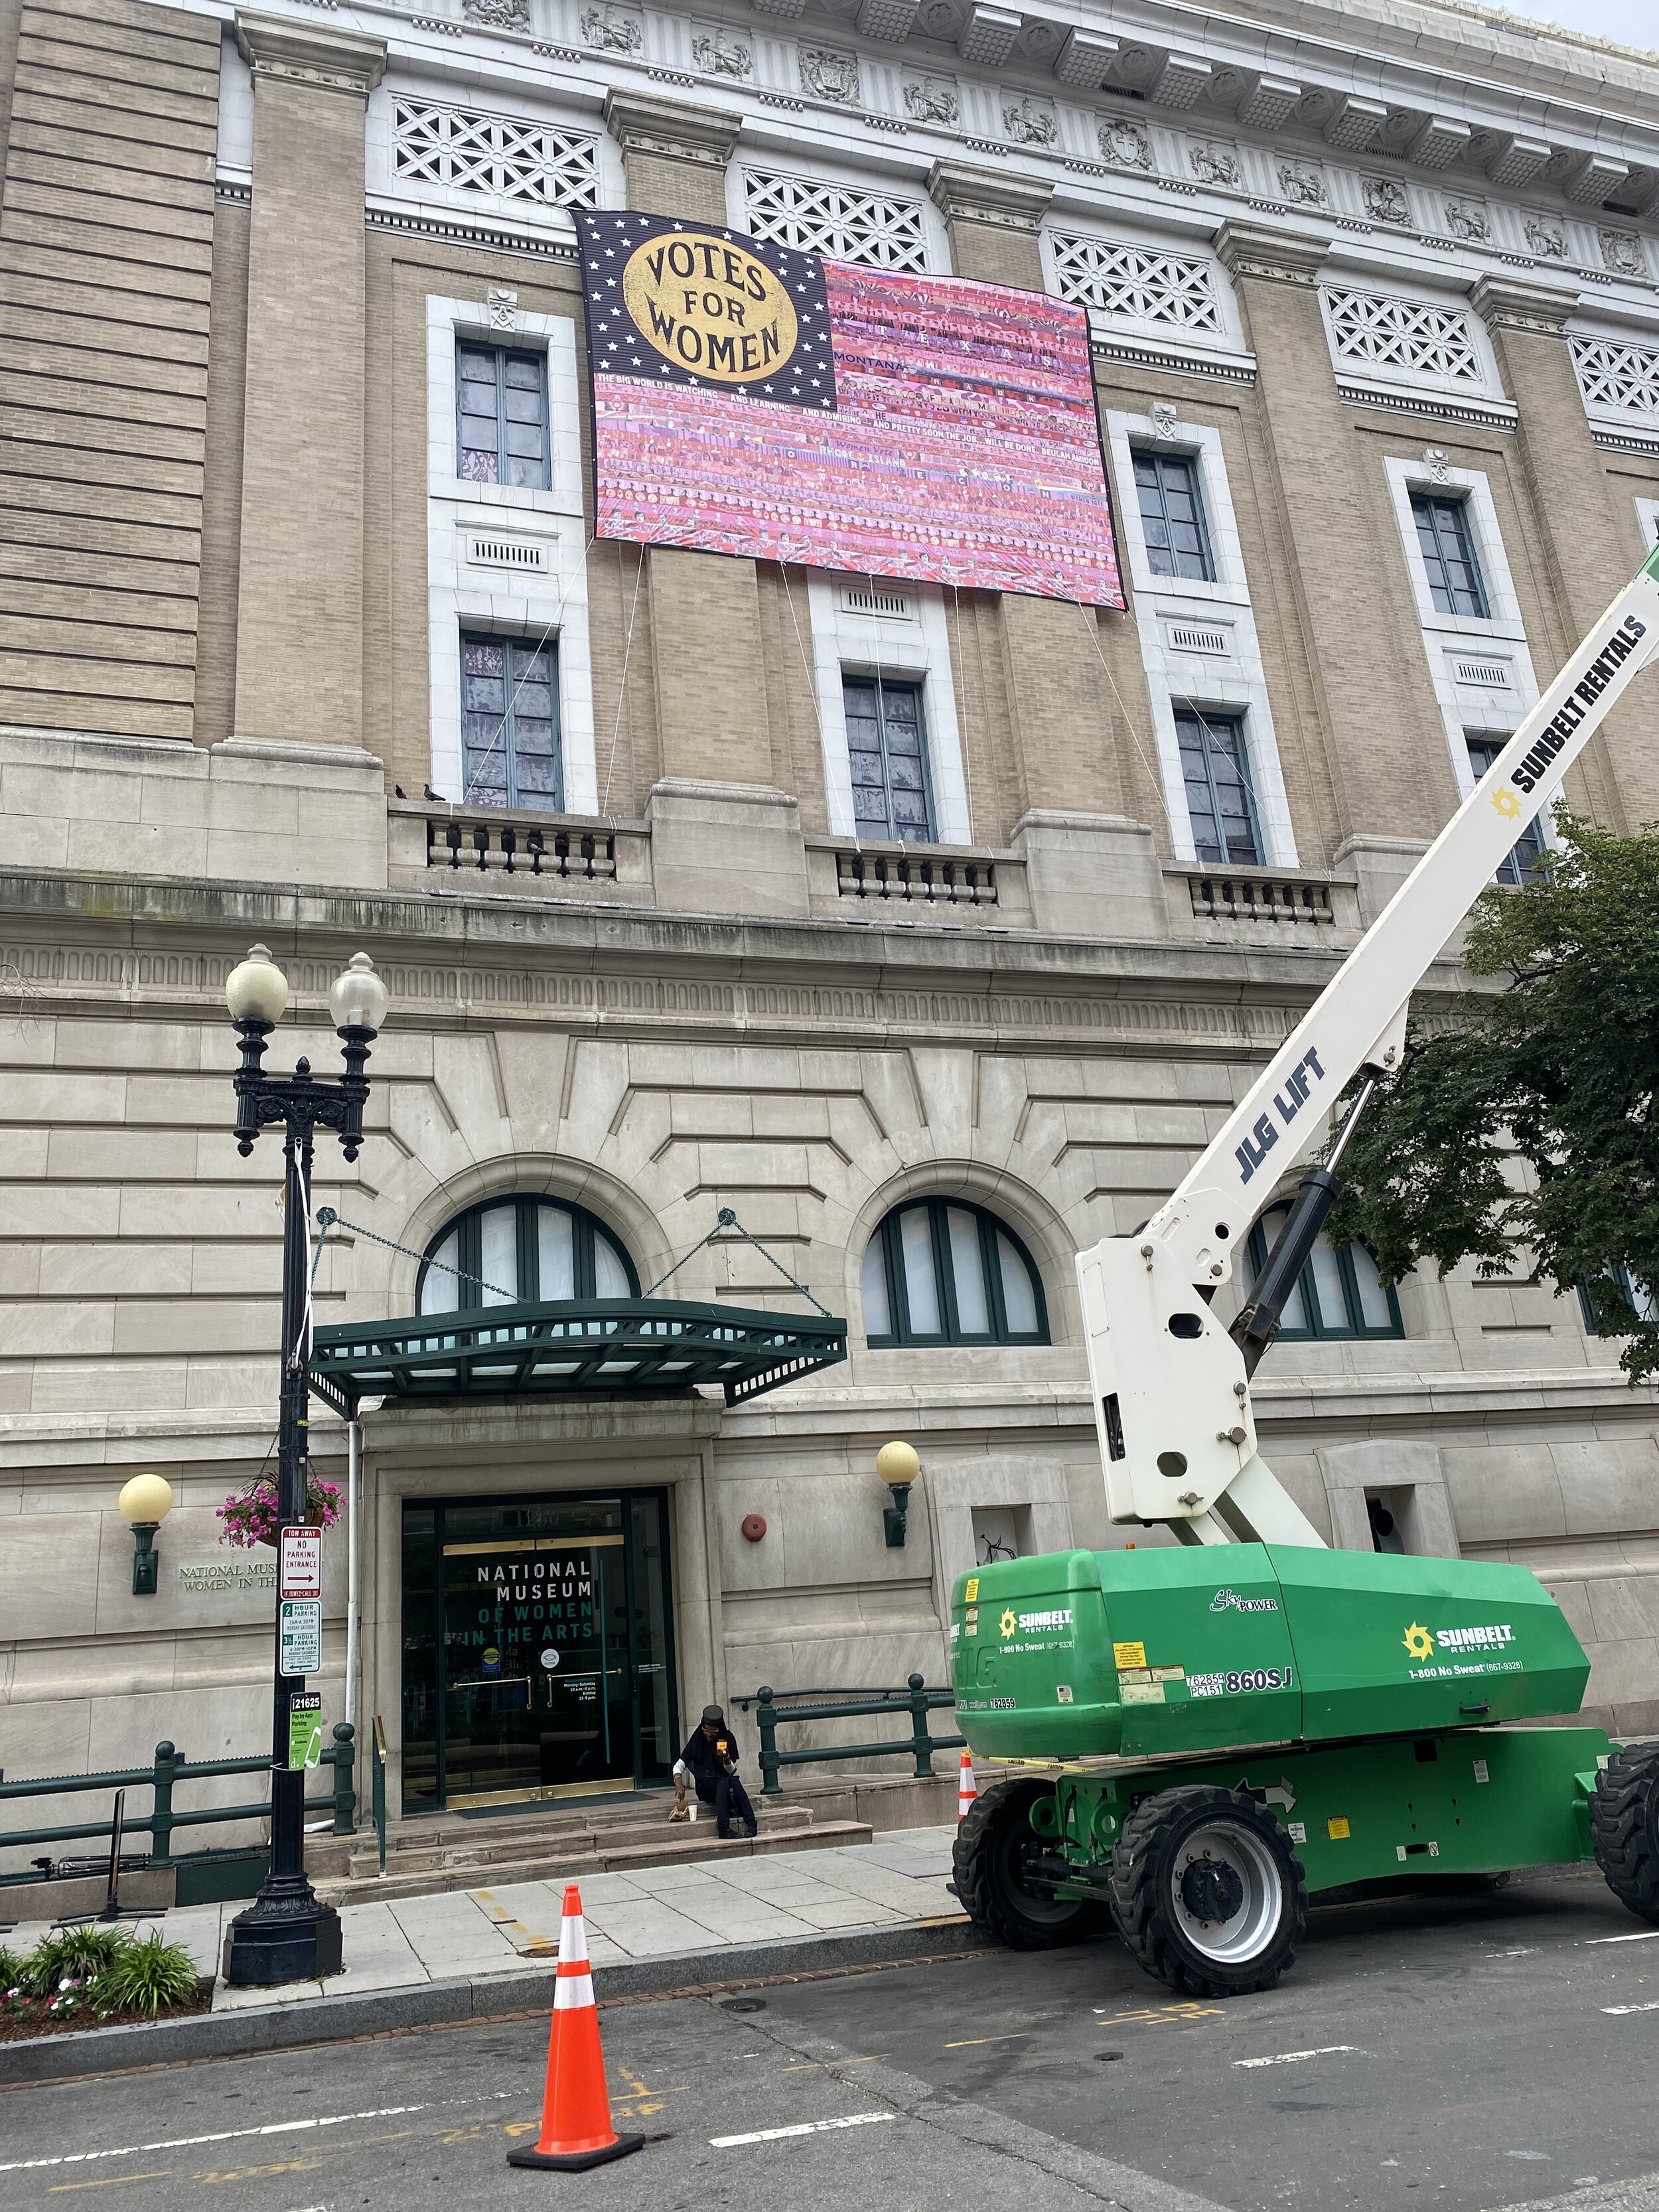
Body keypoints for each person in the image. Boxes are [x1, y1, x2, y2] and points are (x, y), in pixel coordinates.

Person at [672, 1705, 758, 1839]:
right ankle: (723, 1828)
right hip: (706, 1786)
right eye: (706, 1731)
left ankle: (752, 1824)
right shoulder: (698, 1740)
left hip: (724, 1783)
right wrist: (679, 1782)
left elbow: (731, 1771)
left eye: (713, 1732)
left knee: (733, 1780)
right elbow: (680, 1764)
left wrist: (726, 1759)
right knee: (724, 1781)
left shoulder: (728, 1738)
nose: (708, 1734)